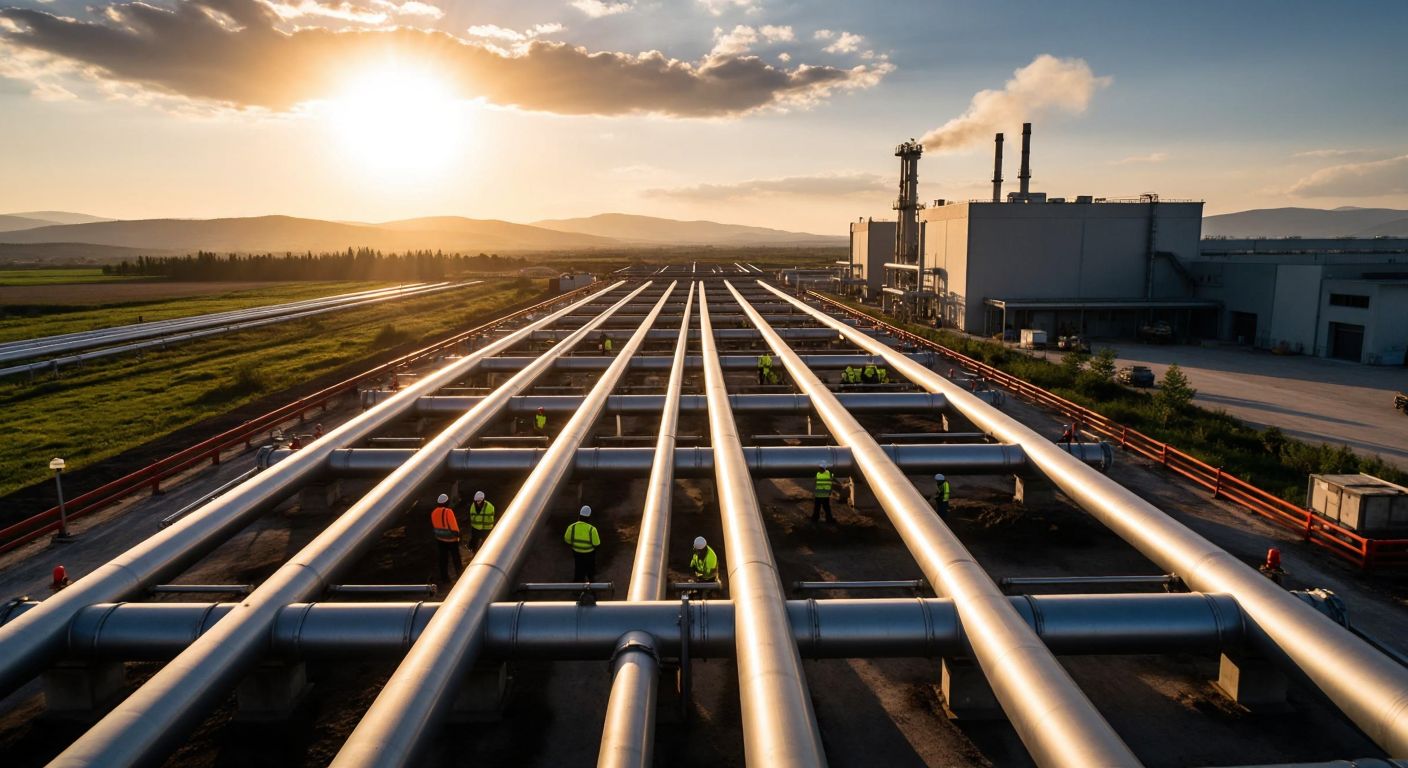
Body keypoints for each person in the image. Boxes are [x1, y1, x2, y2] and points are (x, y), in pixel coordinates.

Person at [564, 505, 601, 582]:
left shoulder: (572, 527)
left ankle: (577, 589)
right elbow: (597, 544)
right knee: (590, 572)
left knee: (578, 570)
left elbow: (567, 540)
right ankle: (593, 589)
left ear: (579, 515)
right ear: (589, 516)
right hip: (589, 554)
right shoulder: (592, 529)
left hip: (577, 553)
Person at [430, 494, 462, 581]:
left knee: (443, 559)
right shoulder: (448, 511)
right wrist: (458, 535)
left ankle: (445, 578)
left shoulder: (433, 512)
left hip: (440, 539)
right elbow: (453, 525)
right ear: (446, 502)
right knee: (456, 558)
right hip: (451, 539)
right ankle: (460, 575)